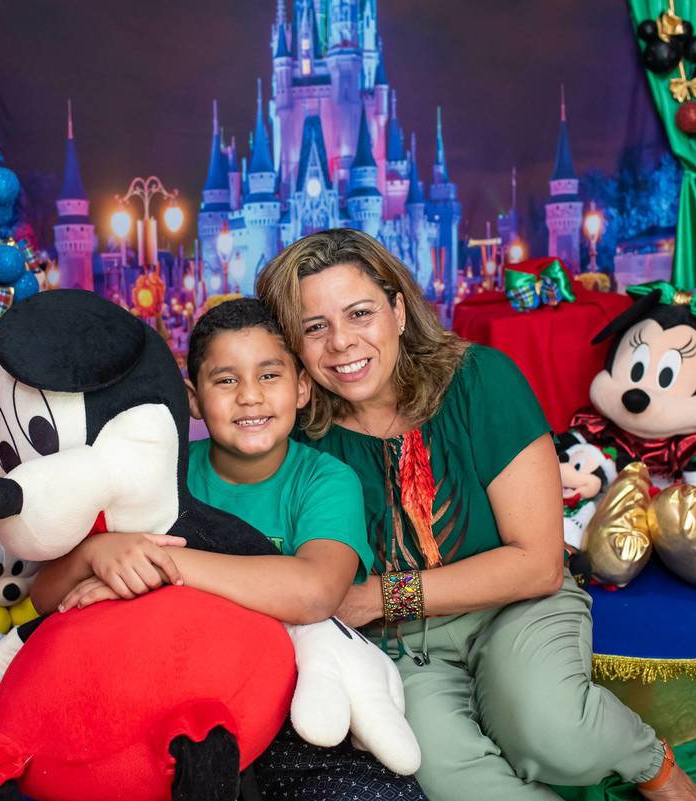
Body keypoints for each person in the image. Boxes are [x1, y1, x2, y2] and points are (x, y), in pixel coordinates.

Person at [255, 228, 696, 801]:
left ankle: (653, 765)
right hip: (402, 647)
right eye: (314, 327)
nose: (341, 342)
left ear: (398, 311)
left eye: (360, 313)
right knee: (443, 775)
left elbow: (538, 565)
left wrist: (381, 596)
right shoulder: (297, 436)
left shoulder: (480, 380)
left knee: (554, 734)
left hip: (514, 606)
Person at [31, 297, 427, 801]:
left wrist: (163, 563)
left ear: (301, 387)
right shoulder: (157, 475)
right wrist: (98, 553)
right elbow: (44, 597)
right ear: (193, 399)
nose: (249, 397)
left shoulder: (324, 480)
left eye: (269, 375)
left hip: (295, 701)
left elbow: (314, 593)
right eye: (225, 380)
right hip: (166, 702)